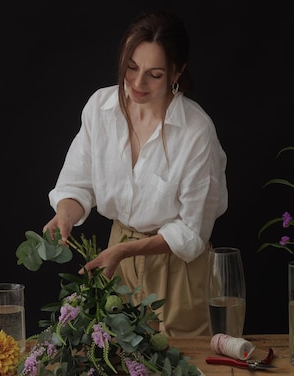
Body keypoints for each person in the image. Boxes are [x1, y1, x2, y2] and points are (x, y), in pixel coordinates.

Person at [43, 10, 228, 338]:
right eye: (131, 68)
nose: (138, 83)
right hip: (117, 262)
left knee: (187, 373)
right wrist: (65, 216)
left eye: (154, 74)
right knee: (121, 367)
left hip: (179, 271)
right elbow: (77, 183)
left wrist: (125, 250)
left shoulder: (196, 131)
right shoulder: (100, 109)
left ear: (177, 72)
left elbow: (192, 232)